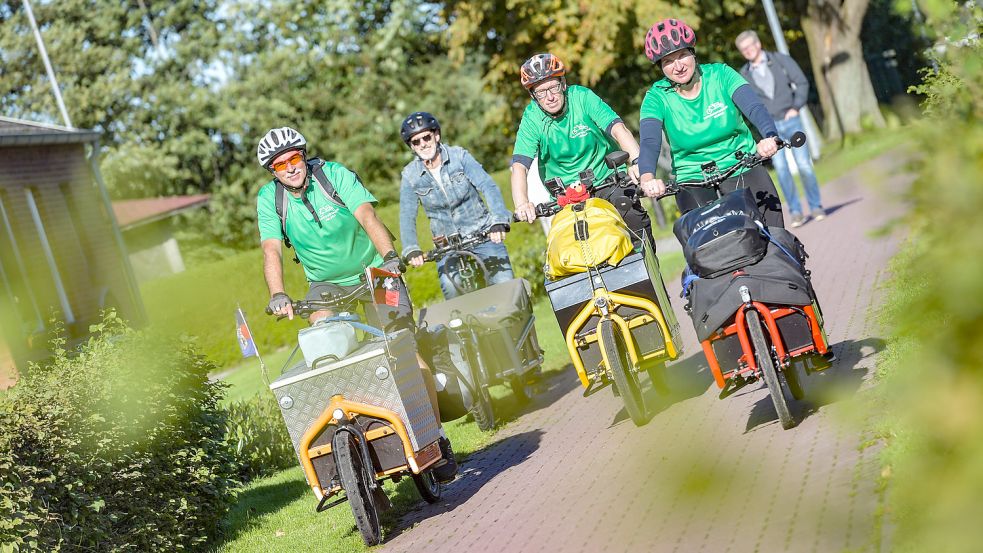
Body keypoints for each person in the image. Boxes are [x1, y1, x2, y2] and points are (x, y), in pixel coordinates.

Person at [255, 126, 457, 482]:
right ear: (273, 171)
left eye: (293, 158)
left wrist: (390, 258)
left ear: (304, 155)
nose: (289, 167)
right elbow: (271, 248)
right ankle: (353, 448)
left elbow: (367, 216)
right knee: (324, 355)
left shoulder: (333, 175)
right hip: (326, 285)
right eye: (279, 164)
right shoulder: (270, 199)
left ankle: (435, 437)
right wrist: (278, 294)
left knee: (406, 351)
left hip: (373, 271)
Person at [636, 18, 785, 229]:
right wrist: (648, 178)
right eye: (668, 62)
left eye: (682, 56)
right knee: (706, 249)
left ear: (693, 53)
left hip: (741, 163)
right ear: (661, 67)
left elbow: (754, 107)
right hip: (693, 178)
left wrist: (769, 136)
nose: (677, 66)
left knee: (774, 231)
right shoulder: (656, 97)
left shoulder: (721, 75)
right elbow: (650, 141)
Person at [510, 53, 656, 250]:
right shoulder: (532, 118)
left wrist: (638, 163)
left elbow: (618, 129)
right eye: (541, 92)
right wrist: (522, 203)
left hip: (606, 180)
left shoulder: (581, 97)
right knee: (567, 248)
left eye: (553, 87)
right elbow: (519, 166)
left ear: (563, 83)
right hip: (567, 195)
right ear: (533, 96)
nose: (550, 97)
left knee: (633, 217)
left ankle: (647, 271)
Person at [398, 112, 515, 299]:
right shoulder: (410, 175)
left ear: (436, 135)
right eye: (416, 142)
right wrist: (411, 248)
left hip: (482, 234)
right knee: (452, 288)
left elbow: (488, 186)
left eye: (426, 137)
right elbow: (406, 215)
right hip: (447, 246)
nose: (423, 144)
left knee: (506, 284)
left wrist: (498, 221)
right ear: (411, 147)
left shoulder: (459, 157)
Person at [736, 29, 825, 227]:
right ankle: (795, 212)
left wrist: (796, 106)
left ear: (758, 44)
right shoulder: (744, 75)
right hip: (770, 129)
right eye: (744, 50)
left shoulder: (781, 60)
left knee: (804, 165)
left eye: (750, 46)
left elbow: (801, 82)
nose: (748, 51)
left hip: (791, 120)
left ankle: (816, 205)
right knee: (782, 170)